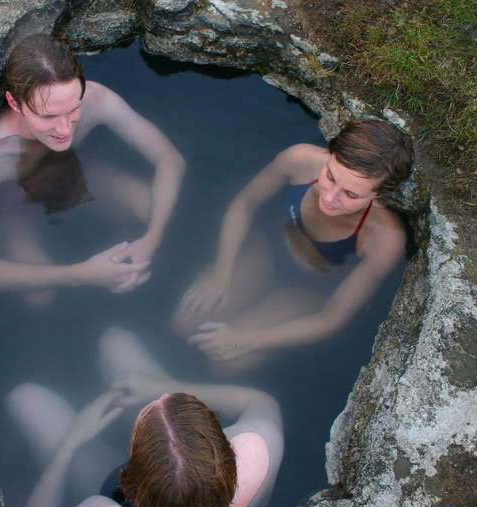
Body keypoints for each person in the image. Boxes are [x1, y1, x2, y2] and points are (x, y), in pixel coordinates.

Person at [0, 34, 185, 308]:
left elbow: (170, 160)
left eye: (73, 109)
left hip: (79, 172)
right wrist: (80, 275)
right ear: (15, 103)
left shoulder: (96, 99)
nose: (65, 129)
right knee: (39, 297)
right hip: (18, 204)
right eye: (48, 116)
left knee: (151, 207)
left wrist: (152, 239)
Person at [174, 120, 413, 371]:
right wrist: (222, 274)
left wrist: (246, 340)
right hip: (267, 252)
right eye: (330, 176)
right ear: (330, 154)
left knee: (224, 363)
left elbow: (331, 318)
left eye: (351, 194)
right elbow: (244, 205)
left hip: (309, 286)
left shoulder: (385, 238)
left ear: (379, 194)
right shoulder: (299, 160)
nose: (330, 197)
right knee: (185, 322)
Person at [7, 327, 284, 507]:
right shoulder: (258, 454)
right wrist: (158, 386)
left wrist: (70, 445)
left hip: (109, 490)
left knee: (26, 399)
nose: (163, 397)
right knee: (115, 342)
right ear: (219, 444)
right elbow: (260, 401)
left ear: (132, 479)